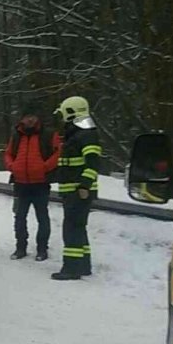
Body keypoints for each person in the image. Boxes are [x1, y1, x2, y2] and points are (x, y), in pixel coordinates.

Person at [51, 96, 102, 280]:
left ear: (71, 112)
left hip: (77, 190)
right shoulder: (79, 133)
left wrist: (84, 185)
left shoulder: (85, 134)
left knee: (71, 229)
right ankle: (83, 265)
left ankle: (71, 268)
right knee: (79, 228)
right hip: (74, 189)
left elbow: (93, 163)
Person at [3, 105, 61, 261]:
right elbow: (8, 153)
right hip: (20, 183)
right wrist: (12, 166)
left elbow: (58, 152)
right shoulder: (16, 135)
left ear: (37, 118)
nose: (30, 119)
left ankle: (42, 249)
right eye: (27, 116)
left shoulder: (48, 134)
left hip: (40, 182)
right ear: (22, 118)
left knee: (42, 216)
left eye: (33, 116)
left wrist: (45, 167)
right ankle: (20, 247)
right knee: (19, 216)